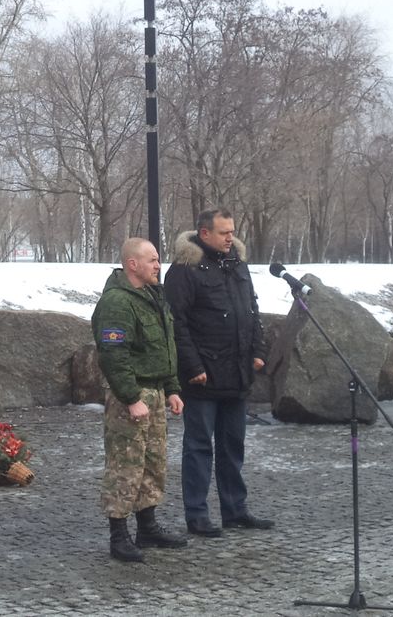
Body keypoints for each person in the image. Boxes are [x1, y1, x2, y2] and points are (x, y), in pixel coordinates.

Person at [163, 209, 273, 537]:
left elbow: (250, 310)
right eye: (224, 232)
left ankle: (235, 509)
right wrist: (193, 367)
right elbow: (177, 324)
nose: (230, 237)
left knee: (232, 444)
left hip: (237, 371)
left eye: (232, 231)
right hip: (203, 375)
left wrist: (258, 350)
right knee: (199, 447)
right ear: (204, 233)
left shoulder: (237, 263)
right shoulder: (184, 270)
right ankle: (196, 515)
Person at [92, 237, 188, 562]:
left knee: (153, 461)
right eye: (153, 260)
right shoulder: (117, 302)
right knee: (125, 464)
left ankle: (147, 526)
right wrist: (131, 397)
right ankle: (119, 536)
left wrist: (172, 388)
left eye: (158, 260)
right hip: (130, 394)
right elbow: (113, 355)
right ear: (133, 264)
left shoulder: (152, 296)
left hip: (156, 391)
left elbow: (166, 346)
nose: (158, 266)